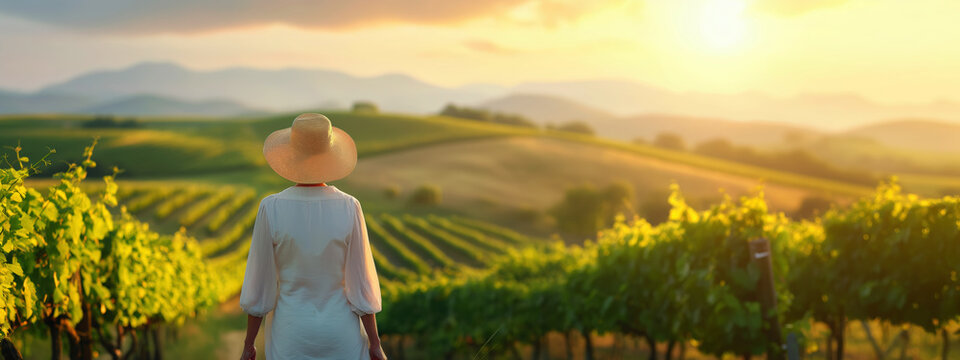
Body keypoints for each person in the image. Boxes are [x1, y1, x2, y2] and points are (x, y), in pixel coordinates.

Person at [238, 113, 387, 360]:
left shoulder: (271, 208)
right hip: (342, 336)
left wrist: (249, 345)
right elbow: (360, 284)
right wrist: (374, 343)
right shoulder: (349, 207)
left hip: (290, 336)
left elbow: (259, 287)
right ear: (330, 156)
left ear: (291, 155)